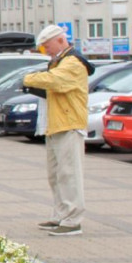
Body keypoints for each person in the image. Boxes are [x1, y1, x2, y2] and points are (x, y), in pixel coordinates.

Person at [24, 25, 90, 237]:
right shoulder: (59, 61)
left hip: (69, 124)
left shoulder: (73, 62)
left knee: (69, 174)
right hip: (55, 124)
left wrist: (28, 78)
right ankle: (60, 214)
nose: (46, 51)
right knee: (56, 175)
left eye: (47, 46)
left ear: (60, 41)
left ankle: (73, 220)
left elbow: (56, 81)